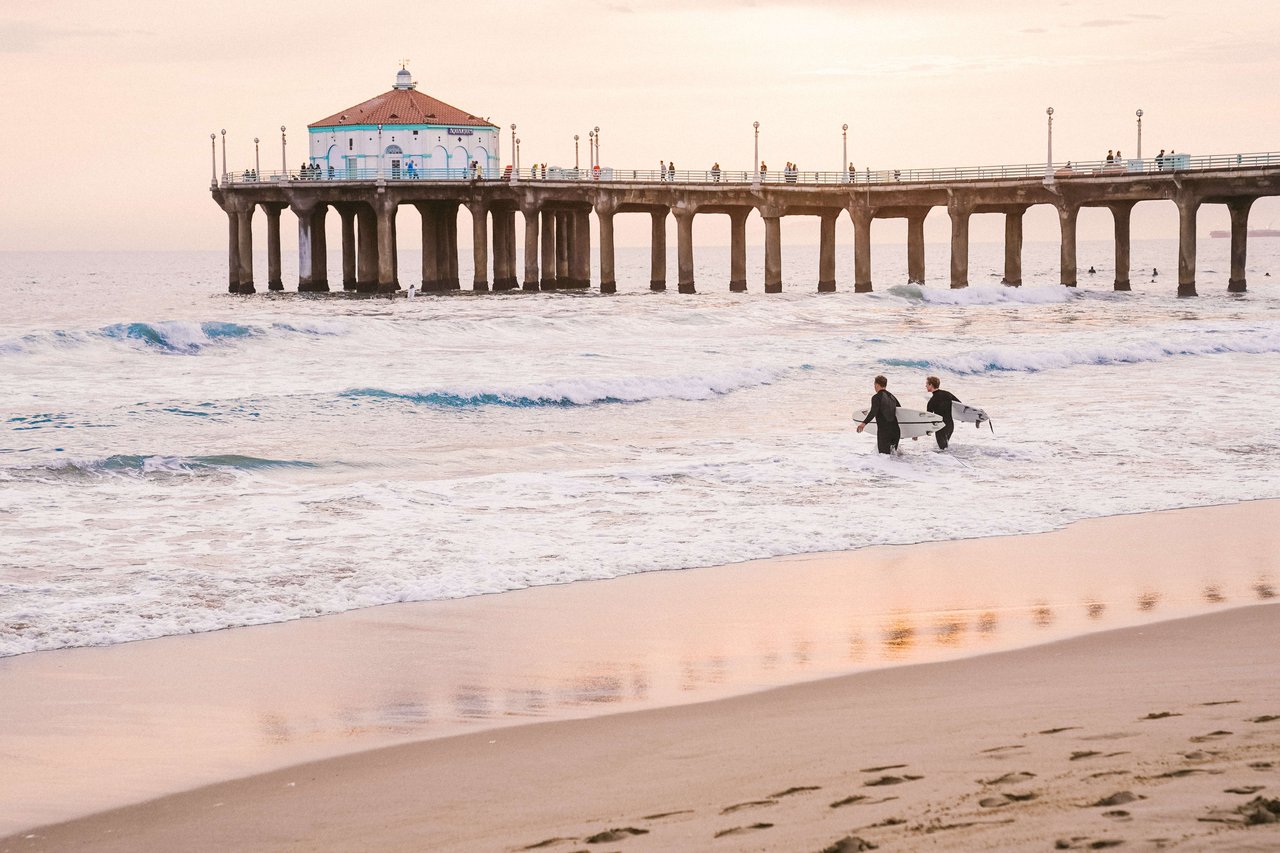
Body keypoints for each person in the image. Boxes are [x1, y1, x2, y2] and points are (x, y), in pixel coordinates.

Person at [855, 375, 901, 455]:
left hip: (885, 432)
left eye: (874, 385)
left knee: (884, 458)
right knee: (894, 457)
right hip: (896, 431)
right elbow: (901, 411)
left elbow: (873, 411)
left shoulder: (876, 397)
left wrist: (863, 423)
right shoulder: (892, 397)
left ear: (877, 384)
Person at [924, 376, 961, 450]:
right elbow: (959, 404)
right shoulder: (948, 394)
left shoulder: (932, 401)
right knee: (945, 448)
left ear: (931, 385)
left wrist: (927, 430)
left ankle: (947, 461)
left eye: (927, 384)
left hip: (940, 427)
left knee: (943, 450)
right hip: (950, 425)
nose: (926, 386)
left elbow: (928, 417)